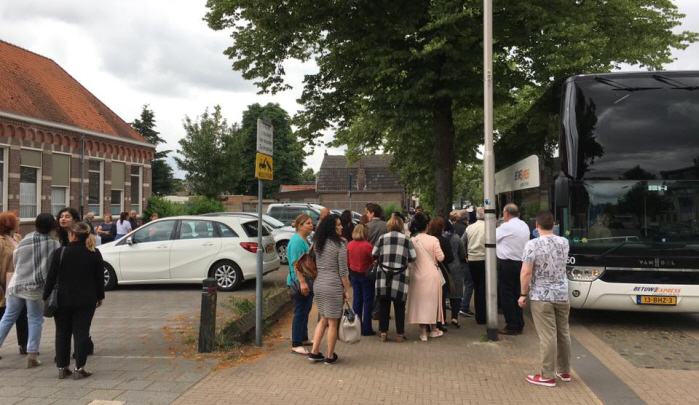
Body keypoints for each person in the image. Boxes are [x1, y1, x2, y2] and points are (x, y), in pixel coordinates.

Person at [44, 222, 104, 379]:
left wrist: (46, 296)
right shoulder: (94, 252)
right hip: (86, 299)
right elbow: (99, 278)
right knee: (81, 332)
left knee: (62, 332)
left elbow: (51, 277)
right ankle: (80, 367)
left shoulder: (61, 252)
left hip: (62, 299)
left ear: (72, 235)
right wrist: (99, 296)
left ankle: (62, 367)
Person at [518, 211, 571, 387]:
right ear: (554, 224)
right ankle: (564, 370)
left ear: (536, 225)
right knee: (563, 332)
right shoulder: (564, 242)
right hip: (562, 293)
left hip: (541, 295)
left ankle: (547, 375)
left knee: (548, 335)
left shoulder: (532, 245)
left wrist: (523, 294)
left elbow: (526, 272)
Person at [0, 213, 60, 368]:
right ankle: (32, 354)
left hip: (17, 283)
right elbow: (54, 267)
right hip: (35, 287)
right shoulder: (54, 245)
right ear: (52, 226)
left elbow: (16, 260)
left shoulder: (24, 240)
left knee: (8, 317)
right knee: (34, 319)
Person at [308, 214, 349, 365]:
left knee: (323, 319)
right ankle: (330, 356)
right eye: (338, 225)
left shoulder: (318, 243)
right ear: (332, 227)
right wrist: (346, 289)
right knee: (333, 322)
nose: (342, 227)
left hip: (319, 283)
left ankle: (314, 352)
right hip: (333, 285)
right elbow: (343, 271)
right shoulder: (340, 245)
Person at [373, 214, 416, 342]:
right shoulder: (406, 239)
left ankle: (383, 332)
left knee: (383, 304)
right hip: (400, 276)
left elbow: (374, 253)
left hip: (383, 275)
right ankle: (399, 333)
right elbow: (413, 256)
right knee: (399, 306)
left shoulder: (382, 238)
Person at [406, 212, 445, 342]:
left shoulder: (412, 240)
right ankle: (434, 329)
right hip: (432, 275)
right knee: (432, 302)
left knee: (420, 303)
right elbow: (440, 257)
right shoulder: (434, 240)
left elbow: (410, 259)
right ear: (427, 225)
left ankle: (423, 332)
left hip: (417, 275)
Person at [496, 203, 530, 335]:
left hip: (507, 263)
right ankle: (519, 323)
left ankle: (511, 325)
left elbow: (491, 238)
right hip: (520, 263)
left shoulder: (506, 226)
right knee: (518, 294)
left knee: (506, 295)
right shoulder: (524, 225)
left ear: (506, 213)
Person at [287, 213, 314, 355]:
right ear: (299, 226)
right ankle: (296, 343)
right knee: (300, 312)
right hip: (300, 282)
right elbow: (296, 264)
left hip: (307, 281)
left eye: (311, 223)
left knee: (305, 310)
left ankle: (303, 338)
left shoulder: (304, 239)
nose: (311, 225)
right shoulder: (297, 241)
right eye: (308, 223)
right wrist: (302, 282)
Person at [427, 217, 455, 332]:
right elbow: (449, 258)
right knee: (441, 298)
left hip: (427, 271)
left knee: (429, 298)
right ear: (442, 228)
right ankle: (439, 322)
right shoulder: (444, 241)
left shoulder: (427, 239)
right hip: (441, 272)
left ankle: (428, 322)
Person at [346, 224, 375, 336]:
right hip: (366, 275)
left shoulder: (349, 245)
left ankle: (356, 325)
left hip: (354, 274)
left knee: (357, 300)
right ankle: (367, 328)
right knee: (368, 301)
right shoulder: (368, 246)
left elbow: (347, 262)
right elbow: (373, 260)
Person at [462, 207, 486, 324]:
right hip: (485, 259)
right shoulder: (490, 227)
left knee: (477, 287)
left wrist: (465, 255)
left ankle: (479, 315)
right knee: (484, 287)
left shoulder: (469, 228)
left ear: (476, 216)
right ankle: (485, 314)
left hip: (472, 259)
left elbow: (462, 242)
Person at [442, 220, 466, 328]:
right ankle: (454, 318)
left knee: (442, 295)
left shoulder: (439, 239)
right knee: (455, 295)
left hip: (443, 268)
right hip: (455, 268)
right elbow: (462, 253)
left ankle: (442, 318)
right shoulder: (456, 238)